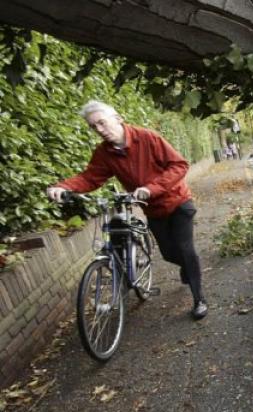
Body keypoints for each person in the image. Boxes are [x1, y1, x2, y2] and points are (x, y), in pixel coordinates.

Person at [46, 100, 208, 320]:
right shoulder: (105, 153)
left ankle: (199, 299)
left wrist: (152, 188)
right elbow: (90, 178)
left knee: (185, 248)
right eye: (94, 127)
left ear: (118, 119)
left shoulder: (147, 138)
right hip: (153, 210)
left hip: (178, 203)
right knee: (169, 254)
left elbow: (179, 165)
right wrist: (64, 186)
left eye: (102, 123)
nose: (100, 130)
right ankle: (187, 267)